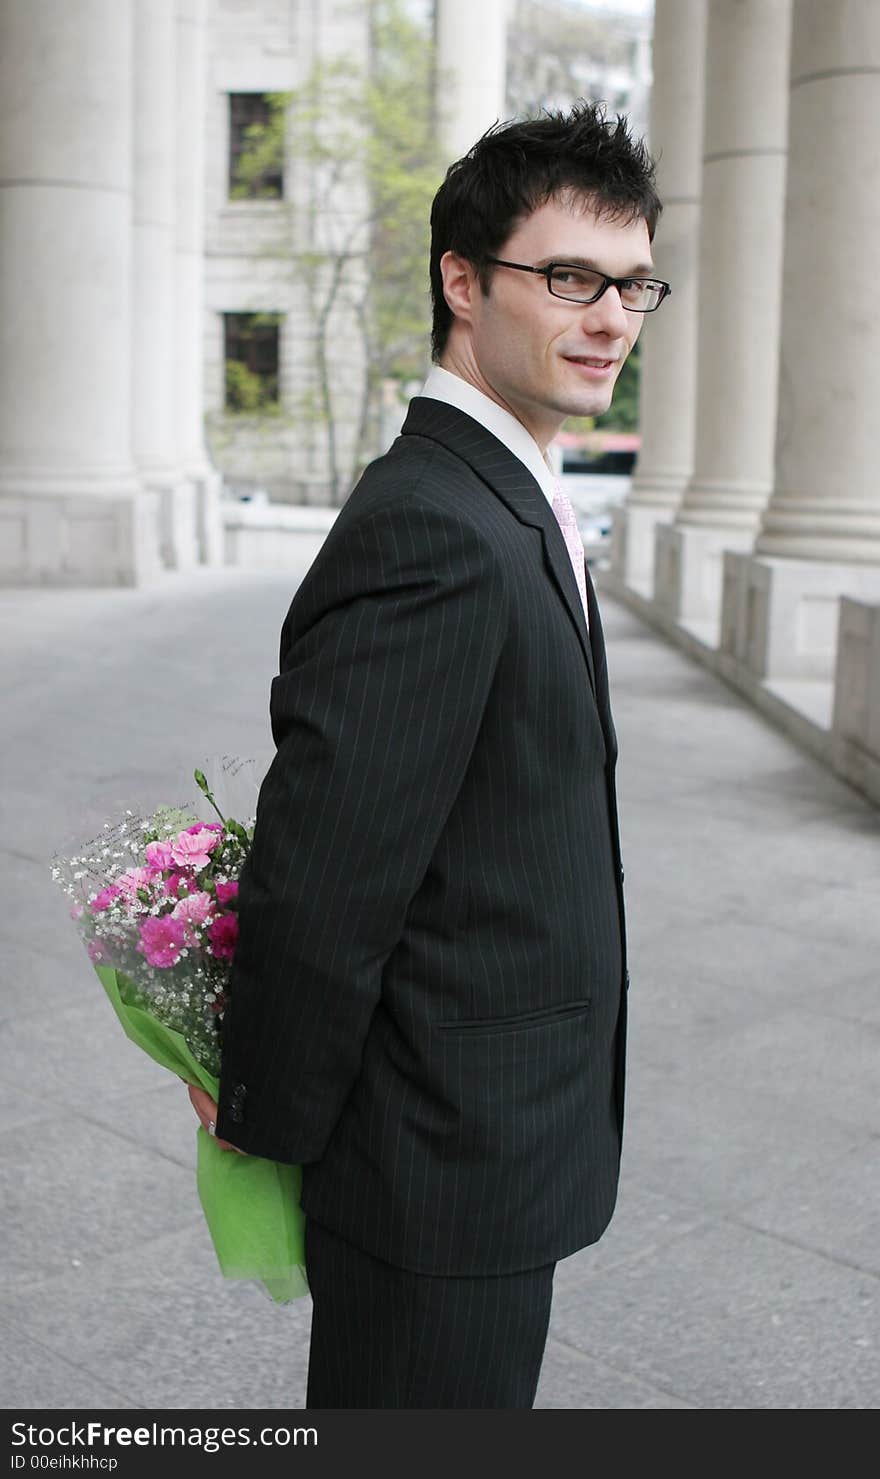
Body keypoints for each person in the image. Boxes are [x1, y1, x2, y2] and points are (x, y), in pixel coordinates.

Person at [189, 100, 668, 1408]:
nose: (611, 317)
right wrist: (264, 1119)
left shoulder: (508, 491)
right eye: (568, 277)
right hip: (437, 1164)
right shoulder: (435, 525)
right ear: (462, 281)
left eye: (632, 284)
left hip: (494, 1128)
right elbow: (326, 876)